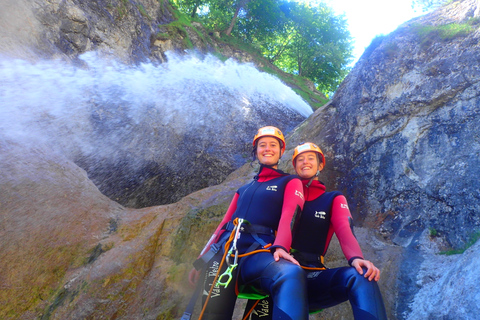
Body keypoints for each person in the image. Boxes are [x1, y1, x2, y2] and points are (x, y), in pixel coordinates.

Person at [245, 142, 387, 320]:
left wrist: (357, 258)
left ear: (320, 165)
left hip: (312, 275)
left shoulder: (333, 199)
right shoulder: (279, 194)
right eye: (300, 160)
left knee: (362, 277)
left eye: (311, 158)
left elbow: (345, 230)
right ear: (294, 166)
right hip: (276, 273)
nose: (305, 162)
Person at [186, 126, 308, 320]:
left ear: (281, 151)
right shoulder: (243, 189)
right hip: (224, 253)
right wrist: (202, 258)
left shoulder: (290, 182)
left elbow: (290, 216)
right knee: (212, 315)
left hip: (258, 252)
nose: (267, 148)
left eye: (273, 145)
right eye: (262, 145)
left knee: (290, 273)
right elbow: (223, 224)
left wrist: (282, 247)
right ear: (256, 151)